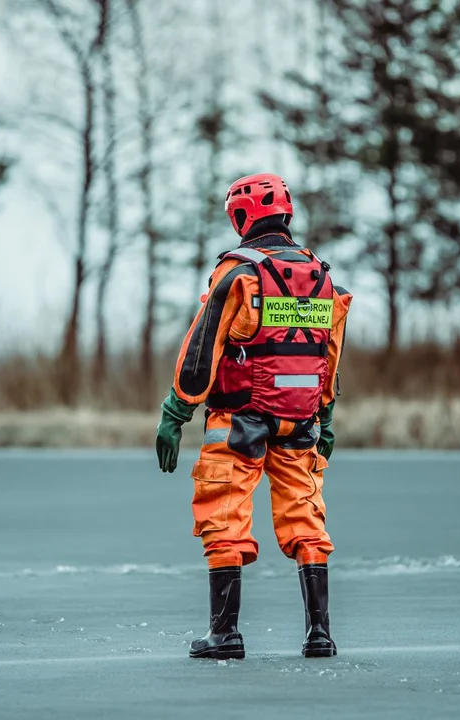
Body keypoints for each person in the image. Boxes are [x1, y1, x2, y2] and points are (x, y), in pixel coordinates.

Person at [154, 173, 352, 659]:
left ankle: (225, 635)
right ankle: (319, 634)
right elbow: (328, 356)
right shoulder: (322, 277)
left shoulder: (238, 273)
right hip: (300, 422)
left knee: (223, 516)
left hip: (238, 420)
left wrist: (175, 412)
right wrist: (324, 418)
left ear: (241, 217)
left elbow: (203, 346)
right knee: (305, 518)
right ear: (286, 215)